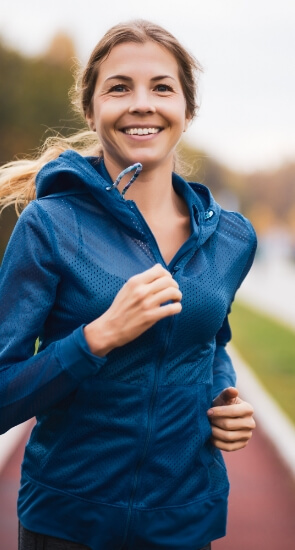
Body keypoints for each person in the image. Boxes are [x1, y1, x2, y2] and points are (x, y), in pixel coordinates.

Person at [0, 19, 256, 550]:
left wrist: (223, 398)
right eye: (119, 87)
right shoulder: (49, 226)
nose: (142, 103)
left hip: (185, 521)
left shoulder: (233, 239)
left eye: (162, 87)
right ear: (91, 111)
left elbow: (212, 343)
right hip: (66, 524)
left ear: (188, 110)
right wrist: (97, 337)